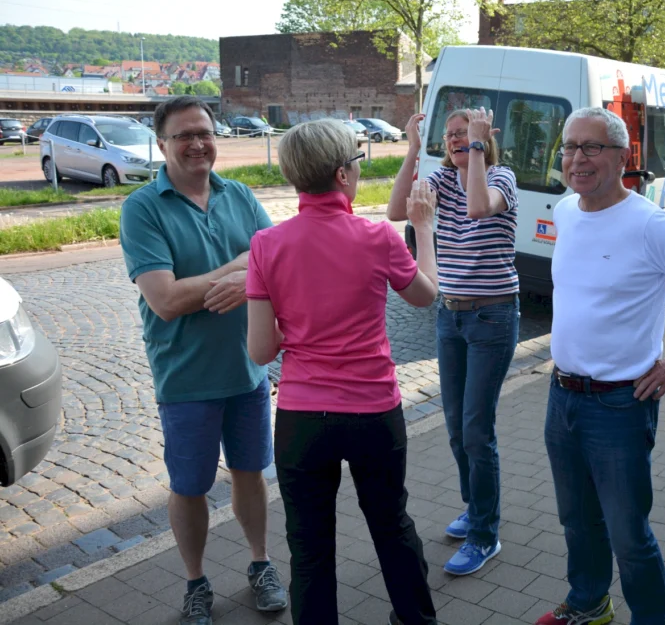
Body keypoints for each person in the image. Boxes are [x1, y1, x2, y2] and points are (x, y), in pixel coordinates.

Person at [246, 119, 439, 625]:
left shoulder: (266, 245)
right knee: (391, 527)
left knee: (309, 550)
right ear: (341, 175)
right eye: (356, 162)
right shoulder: (377, 237)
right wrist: (423, 228)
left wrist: (304, 322)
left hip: (302, 418)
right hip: (374, 411)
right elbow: (425, 297)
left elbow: (262, 349)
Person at [535, 107, 665, 625]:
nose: (577, 158)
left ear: (622, 157)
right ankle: (589, 602)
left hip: (620, 405)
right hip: (562, 394)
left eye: (592, 147)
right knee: (576, 520)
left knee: (628, 533)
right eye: (570, 146)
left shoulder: (650, 225)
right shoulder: (566, 209)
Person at [119, 96, 287, 625]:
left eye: (204, 133)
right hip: (186, 377)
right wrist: (239, 267)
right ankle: (195, 582)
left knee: (250, 474)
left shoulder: (240, 196)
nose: (197, 144)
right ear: (163, 144)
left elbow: (277, 266)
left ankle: (260, 564)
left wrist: (251, 278)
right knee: (189, 486)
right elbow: (165, 300)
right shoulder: (143, 208)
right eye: (183, 135)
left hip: (247, 370)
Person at [386, 107, 519, 576]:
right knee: (456, 427)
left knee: (478, 431)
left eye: (467, 133)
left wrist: (479, 150)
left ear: (484, 137)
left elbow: (480, 206)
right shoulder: (442, 179)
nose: (458, 141)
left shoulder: (501, 176)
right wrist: (413, 149)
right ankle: (475, 506)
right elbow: (396, 209)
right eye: (451, 136)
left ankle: (486, 534)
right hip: (451, 316)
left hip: (493, 317)